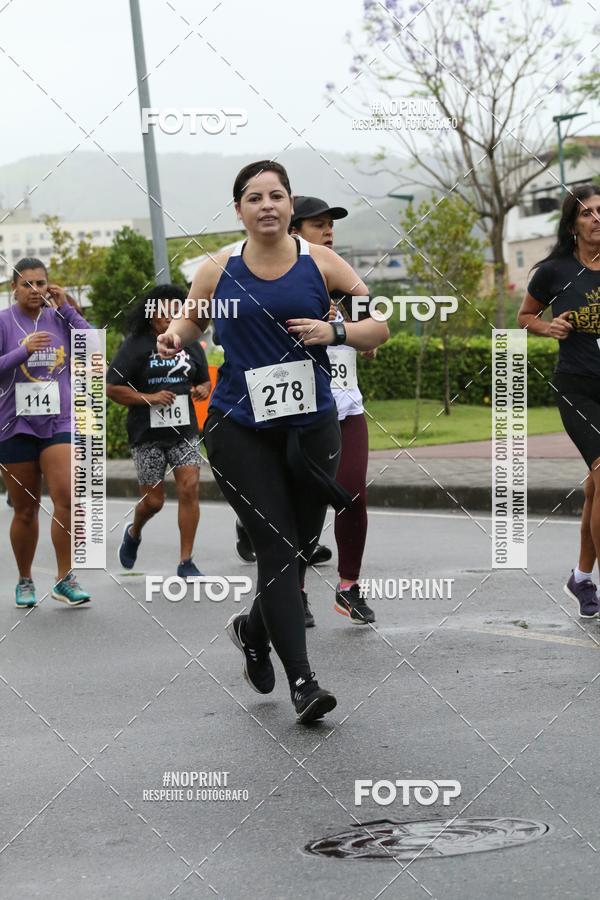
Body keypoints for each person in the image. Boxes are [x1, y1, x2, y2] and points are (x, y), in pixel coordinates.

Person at [157, 160, 389, 724]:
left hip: (311, 424)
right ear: (238, 209)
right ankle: (304, 682)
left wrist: (333, 330)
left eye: (276, 196)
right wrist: (172, 336)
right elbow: (191, 323)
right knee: (277, 547)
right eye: (254, 197)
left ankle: (252, 630)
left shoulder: (324, 264)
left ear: (290, 207)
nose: (267, 205)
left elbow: (377, 329)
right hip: (238, 425)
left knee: (302, 543)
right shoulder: (216, 270)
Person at [290, 196, 377, 625]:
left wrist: (343, 327)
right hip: (300, 410)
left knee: (353, 495)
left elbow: (374, 335)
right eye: (318, 225)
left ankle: (348, 588)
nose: (328, 232)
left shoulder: (345, 283)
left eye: (331, 225)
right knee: (303, 504)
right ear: (293, 233)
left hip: (346, 407)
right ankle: (297, 590)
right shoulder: (281, 285)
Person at [517, 183, 600, 618]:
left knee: (595, 489)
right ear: (573, 224)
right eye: (588, 213)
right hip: (578, 387)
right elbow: (525, 316)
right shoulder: (554, 271)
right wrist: (548, 328)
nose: (597, 218)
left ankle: (582, 578)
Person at [0, 257, 92, 607]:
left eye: (40, 283)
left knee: (67, 497)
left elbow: (90, 345)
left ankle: (65, 578)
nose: (35, 290)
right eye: (27, 284)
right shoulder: (4, 322)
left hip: (58, 421)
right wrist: (22, 352)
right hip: (14, 423)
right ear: (14, 288)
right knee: (26, 509)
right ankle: (25, 579)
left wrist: (67, 307)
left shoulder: (59, 317)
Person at [106, 284, 211, 577]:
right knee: (153, 502)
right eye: (164, 310)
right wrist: (149, 398)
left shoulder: (188, 342)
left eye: (177, 309)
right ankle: (134, 532)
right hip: (146, 435)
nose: (171, 315)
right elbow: (112, 389)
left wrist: (203, 389)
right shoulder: (136, 345)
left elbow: (203, 380)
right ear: (151, 315)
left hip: (184, 431)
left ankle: (185, 560)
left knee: (189, 489)